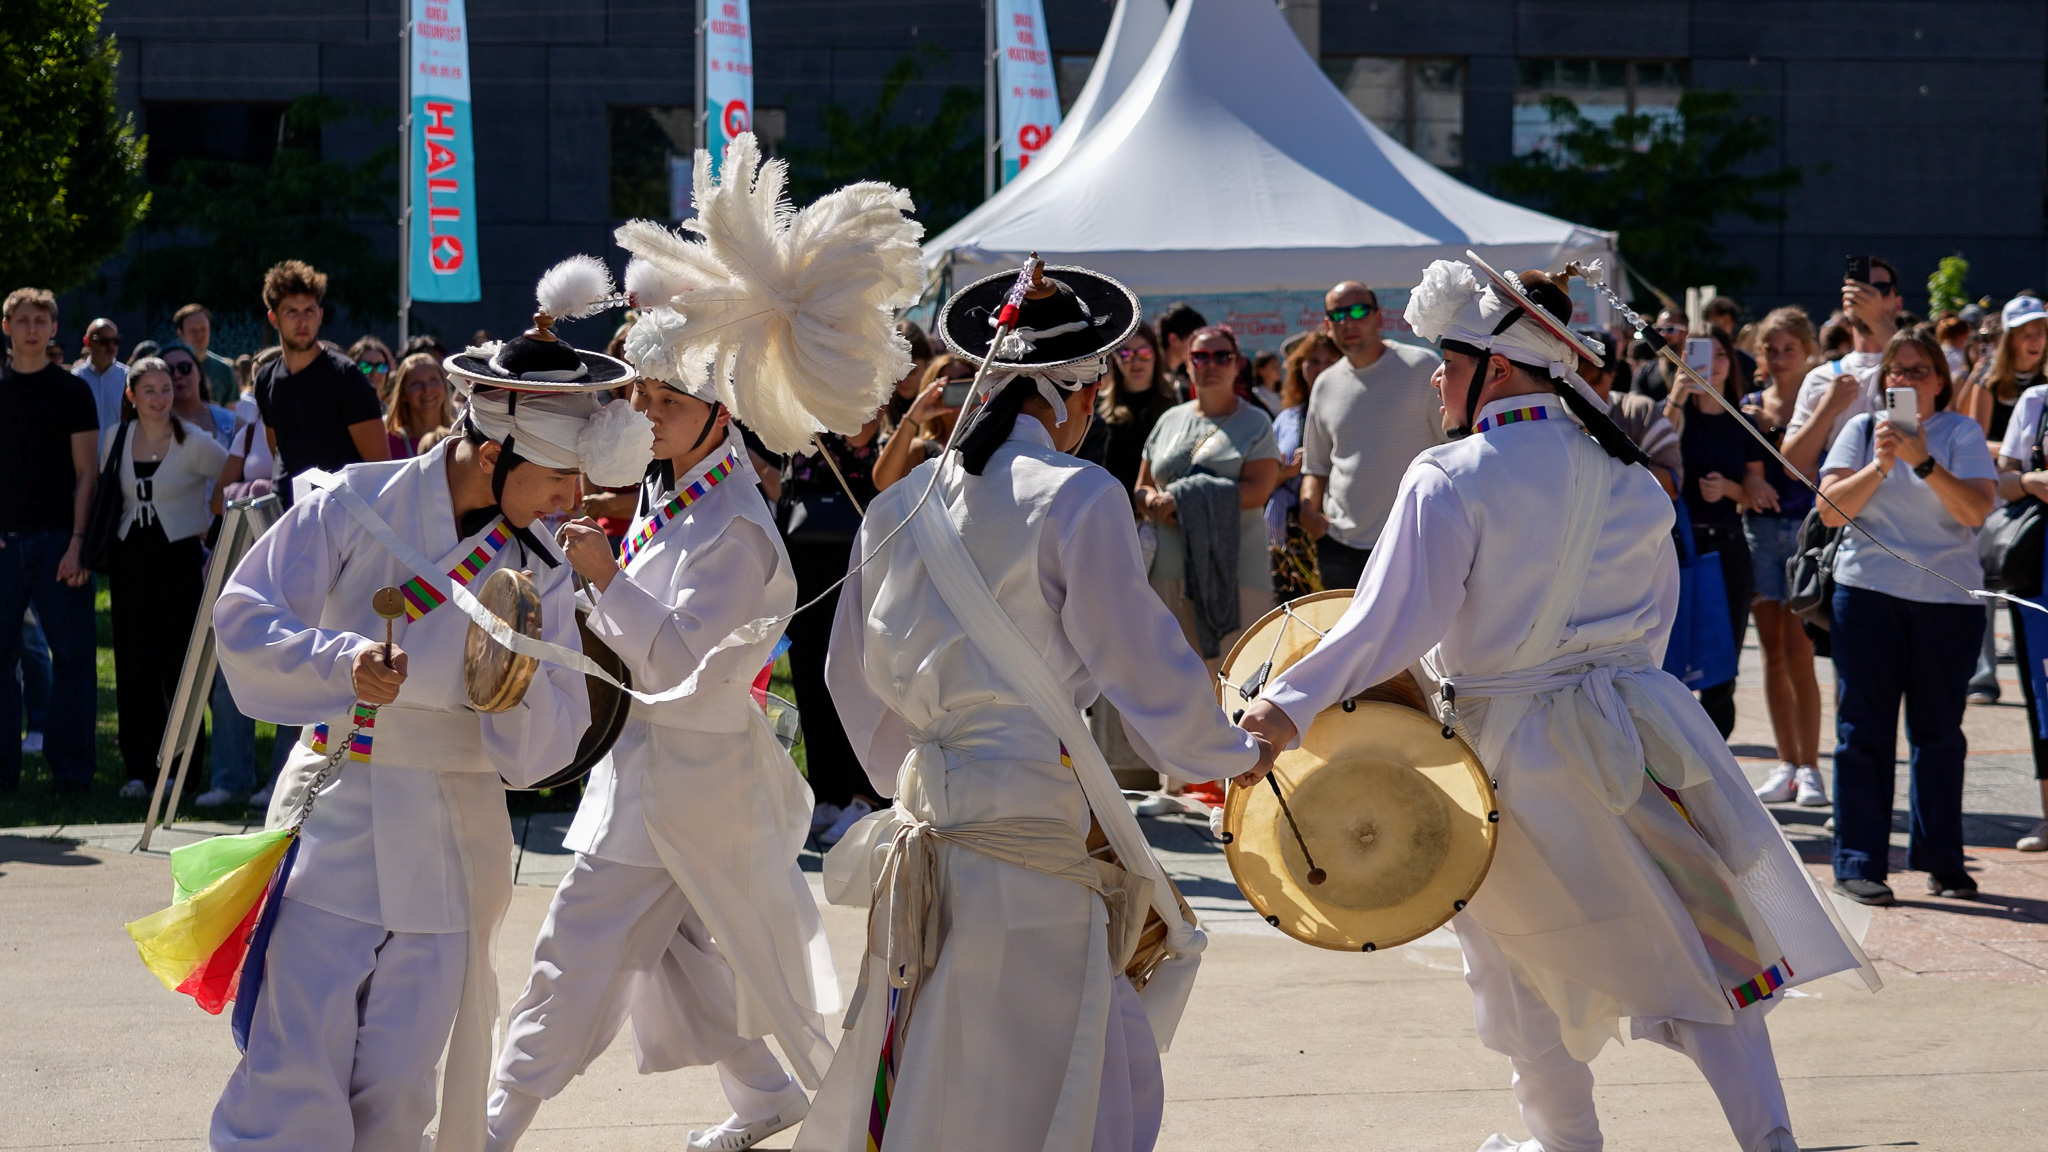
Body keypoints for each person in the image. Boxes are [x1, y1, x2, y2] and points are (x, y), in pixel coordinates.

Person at [1238, 256, 1863, 1152]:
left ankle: (1567, 1139)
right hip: (1645, 734)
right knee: (1703, 938)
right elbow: (1652, 626)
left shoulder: (1448, 476)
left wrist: (1284, 704)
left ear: (1495, 368)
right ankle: (1768, 1136)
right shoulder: (1631, 479)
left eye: (1449, 364)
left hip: (1506, 756)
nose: (1438, 382)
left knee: (1509, 957)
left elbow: (1388, 625)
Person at [801, 264, 1272, 1152]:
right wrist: (1232, 750)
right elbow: (1140, 660)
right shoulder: (1080, 493)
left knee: (952, 1054)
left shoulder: (898, 504)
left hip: (929, 814)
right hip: (1028, 821)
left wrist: (924, 772)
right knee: (1059, 1066)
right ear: (1075, 395)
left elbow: (846, 676)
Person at [208, 268, 627, 1151]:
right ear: (495, 454)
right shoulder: (353, 501)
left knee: (401, 1086)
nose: (572, 500)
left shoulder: (544, 568)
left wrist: (509, 689)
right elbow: (244, 615)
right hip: (341, 808)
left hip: (454, 832)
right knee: (296, 1056)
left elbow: (549, 742)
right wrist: (341, 661)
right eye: (560, 477)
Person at [488, 306, 837, 1152]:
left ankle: (490, 1128)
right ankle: (766, 1094)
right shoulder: (680, 488)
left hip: (681, 785)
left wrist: (606, 577)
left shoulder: (735, 525)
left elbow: (683, 666)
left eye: (668, 401)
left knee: (571, 952)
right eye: (642, 395)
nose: (646, 413)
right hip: (657, 770)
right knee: (683, 951)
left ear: (721, 411)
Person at [1817, 328, 1997, 905]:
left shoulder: (1961, 432)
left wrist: (1923, 464)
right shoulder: (1861, 430)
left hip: (1947, 603)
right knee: (1862, 734)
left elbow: (1975, 510)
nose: (1906, 380)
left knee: (1939, 736)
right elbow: (1829, 511)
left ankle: (1943, 861)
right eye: (1897, 370)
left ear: (1940, 381)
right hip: (1868, 594)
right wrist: (1880, 465)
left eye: (1920, 371)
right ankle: (1858, 862)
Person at [102, 359, 230, 799]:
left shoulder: (193, 440)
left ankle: (183, 769)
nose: (159, 398)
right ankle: (139, 768)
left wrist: (209, 517)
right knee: (133, 663)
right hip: (129, 559)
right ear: (131, 395)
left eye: (166, 389)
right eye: (150, 390)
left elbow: (231, 475)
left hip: (178, 561)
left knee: (178, 665)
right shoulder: (116, 437)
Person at [1133, 326, 1281, 668]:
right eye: (1200, 357)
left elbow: (1259, 490)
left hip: (1236, 572)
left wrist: (1182, 499)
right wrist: (1153, 502)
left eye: (1221, 356)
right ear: (1187, 364)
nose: (1210, 364)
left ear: (1237, 364)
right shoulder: (1170, 419)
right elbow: (1142, 485)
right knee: (1172, 675)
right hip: (1168, 567)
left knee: (1235, 677)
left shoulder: (1256, 422)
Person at [0, 287, 99, 795]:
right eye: (22, 320)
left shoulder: (72, 392)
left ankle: (72, 772)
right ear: (7, 328)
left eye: (41, 320)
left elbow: (87, 474)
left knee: (74, 660)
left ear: (54, 328)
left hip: (60, 541)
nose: (32, 328)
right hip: (4, 544)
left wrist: (78, 543)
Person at [778, 416, 887, 847]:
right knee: (809, 676)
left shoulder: (859, 395)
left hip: (850, 554)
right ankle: (826, 792)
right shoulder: (796, 406)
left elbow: (861, 433)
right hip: (804, 553)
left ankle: (863, 795)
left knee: (850, 673)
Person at [1298, 280, 1445, 589]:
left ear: (1379, 318)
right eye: (1338, 315)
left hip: (1414, 540)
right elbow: (1316, 464)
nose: (1348, 322)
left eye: (1358, 311)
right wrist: (1310, 512)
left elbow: (1454, 449)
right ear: (1327, 326)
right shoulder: (1325, 383)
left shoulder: (1422, 367)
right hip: (1340, 545)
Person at [1663, 324, 1768, 737]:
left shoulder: (1743, 422)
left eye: (1721, 354)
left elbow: (1756, 494)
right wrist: (1677, 394)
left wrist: (1729, 489)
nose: (1714, 363)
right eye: (1702, 354)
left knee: (1722, 668)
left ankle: (1715, 756)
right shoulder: (1675, 413)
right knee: (1670, 662)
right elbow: (1653, 453)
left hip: (1727, 550)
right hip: (1676, 548)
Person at [1740, 308, 1827, 806]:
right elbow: (1747, 469)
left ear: (1808, 351)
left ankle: (1811, 766)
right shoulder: (1750, 404)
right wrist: (1747, 481)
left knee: (1800, 652)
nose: (1778, 358)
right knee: (1771, 652)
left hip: (1804, 531)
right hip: (1759, 529)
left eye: (1788, 349)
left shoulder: (1819, 400)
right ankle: (1786, 761)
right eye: (1770, 350)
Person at [252, 260, 391, 502]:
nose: (302, 321)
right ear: (274, 318)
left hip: (340, 514)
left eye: (309, 310)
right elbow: (279, 452)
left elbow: (380, 468)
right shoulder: (265, 379)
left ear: (320, 315)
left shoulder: (346, 377)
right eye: (292, 312)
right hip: (288, 513)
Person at [1781, 256, 1903, 481]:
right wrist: (1828, 408)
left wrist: (1877, 319)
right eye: (1861, 291)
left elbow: (1911, 360)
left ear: (1898, 303)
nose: (1871, 298)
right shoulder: (1821, 377)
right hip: (1843, 500)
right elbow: (1794, 468)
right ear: (1846, 305)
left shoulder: (1918, 371)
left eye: (1881, 289)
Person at [1993, 367, 2048, 852]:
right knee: (2043, 690)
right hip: (2042, 571)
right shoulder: (2037, 401)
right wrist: (2031, 481)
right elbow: (2003, 481)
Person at [1265, 332, 1340, 595]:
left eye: (1329, 361)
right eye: (1313, 361)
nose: (1321, 368)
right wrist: (1288, 472)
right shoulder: (1286, 419)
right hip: (1284, 540)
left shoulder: (1354, 412)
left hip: (1336, 533)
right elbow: (1263, 478)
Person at [1575, 327, 1680, 497]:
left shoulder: (1640, 412)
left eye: (1595, 381)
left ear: (1612, 374)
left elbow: (1672, 484)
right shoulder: (1550, 414)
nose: (1584, 390)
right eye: (1575, 381)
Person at [1082, 323, 1176, 496]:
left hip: (1159, 505)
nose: (1136, 362)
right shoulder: (1097, 407)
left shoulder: (1176, 402)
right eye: (1126, 354)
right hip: (1112, 505)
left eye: (1144, 353)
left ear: (1156, 354)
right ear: (1115, 358)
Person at [872, 355, 971, 492]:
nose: (960, 390)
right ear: (935, 395)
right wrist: (912, 419)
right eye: (949, 384)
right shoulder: (921, 450)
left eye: (967, 380)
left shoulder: (995, 438)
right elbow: (884, 483)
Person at [161, 342, 237, 447]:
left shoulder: (230, 423)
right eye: (169, 371)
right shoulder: (150, 425)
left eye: (184, 367)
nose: (177, 375)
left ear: (199, 373)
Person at [385, 351, 457, 458]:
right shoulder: (389, 443)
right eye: (416, 384)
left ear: (444, 385)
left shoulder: (463, 436)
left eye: (433, 380)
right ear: (403, 394)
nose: (427, 389)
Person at [175, 303, 242, 406]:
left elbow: (230, 412)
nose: (199, 335)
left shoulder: (224, 370)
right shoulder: (168, 368)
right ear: (181, 334)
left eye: (203, 329)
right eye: (193, 330)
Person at [73, 317, 127, 430]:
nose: (111, 347)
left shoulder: (128, 378)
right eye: (104, 341)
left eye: (116, 341)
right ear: (87, 342)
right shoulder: (75, 379)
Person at [1630, 308, 1687, 400]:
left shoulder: (1697, 370)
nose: (1663, 334)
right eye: (1658, 329)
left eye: (1670, 329)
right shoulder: (1645, 371)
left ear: (1686, 333)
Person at [1154, 300, 1207, 397]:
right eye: (1194, 340)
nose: (1200, 347)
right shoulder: (1154, 376)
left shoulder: (1179, 374)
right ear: (1173, 340)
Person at [350, 334, 397, 410]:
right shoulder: (340, 411)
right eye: (366, 367)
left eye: (381, 367)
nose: (374, 373)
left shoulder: (391, 414)